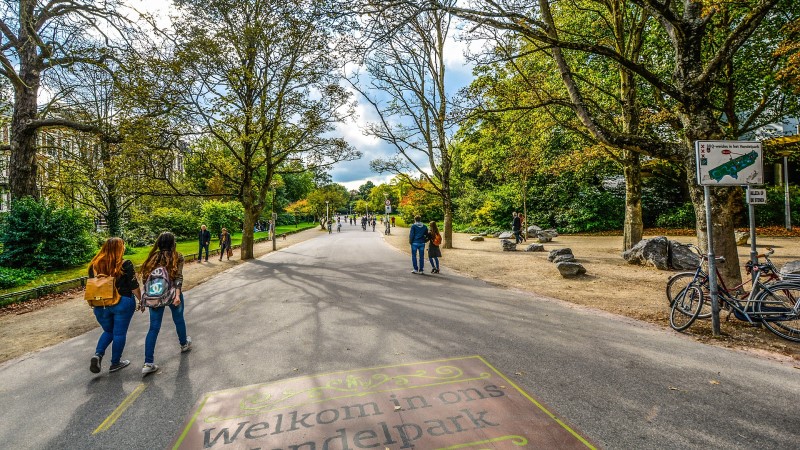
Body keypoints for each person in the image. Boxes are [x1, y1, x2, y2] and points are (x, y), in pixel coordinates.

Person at [139, 232, 191, 376]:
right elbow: (178, 277)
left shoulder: (152, 257)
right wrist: (178, 294)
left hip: (155, 295)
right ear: (173, 243)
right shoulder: (177, 256)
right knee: (179, 319)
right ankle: (183, 343)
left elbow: (146, 279)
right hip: (173, 293)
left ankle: (148, 362)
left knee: (153, 328)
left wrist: (145, 299)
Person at [88, 237, 141, 374]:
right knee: (119, 333)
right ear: (120, 248)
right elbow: (133, 286)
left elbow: (92, 284)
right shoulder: (124, 264)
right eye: (122, 246)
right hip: (122, 302)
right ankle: (115, 363)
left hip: (101, 304)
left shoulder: (94, 265)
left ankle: (98, 354)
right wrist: (141, 300)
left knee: (108, 331)